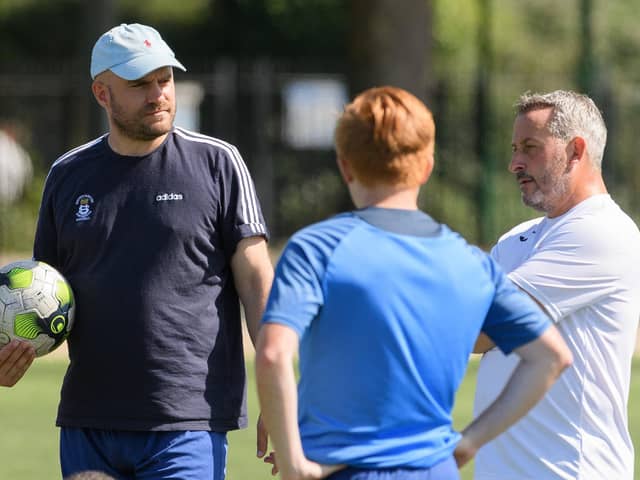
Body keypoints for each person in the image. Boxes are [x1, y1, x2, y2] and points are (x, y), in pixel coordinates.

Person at [254, 86, 573, 480]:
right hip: (433, 470)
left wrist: (293, 463)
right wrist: (468, 443)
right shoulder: (468, 260)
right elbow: (550, 357)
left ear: (345, 165)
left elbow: (271, 355)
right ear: (426, 166)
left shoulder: (316, 248)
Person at [30, 23, 274, 479]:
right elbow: (44, 295)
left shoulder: (219, 163)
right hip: (89, 422)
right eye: (140, 84)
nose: (158, 94)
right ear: (102, 94)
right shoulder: (67, 175)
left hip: (187, 421)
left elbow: (258, 282)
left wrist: (277, 393)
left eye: (165, 79)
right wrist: (14, 349)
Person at [472, 90, 640, 480]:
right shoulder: (516, 239)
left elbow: (479, 329)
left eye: (530, 147)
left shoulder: (603, 232)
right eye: (515, 148)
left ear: (576, 150)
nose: (515, 163)